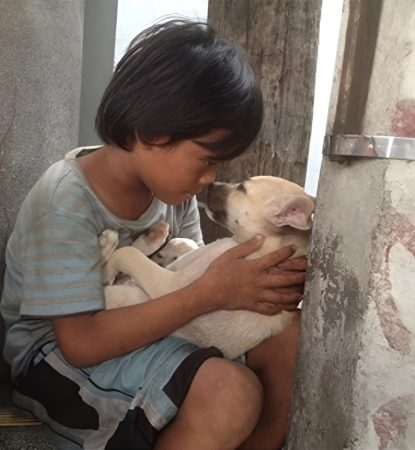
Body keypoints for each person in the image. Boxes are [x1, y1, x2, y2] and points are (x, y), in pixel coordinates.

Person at [1, 20, 305, 449]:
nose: (211, 178)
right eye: (207, 160)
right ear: (152, 133)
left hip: (152, 329)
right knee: (229, 393)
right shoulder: (64, 202)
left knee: (287, 336)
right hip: (52, 358)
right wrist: (210, 293)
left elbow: (186, 272)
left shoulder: (174, 191)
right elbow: (82, 344)